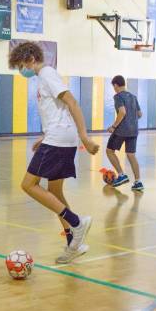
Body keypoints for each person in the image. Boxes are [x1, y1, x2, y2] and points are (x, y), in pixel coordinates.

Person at [9, 42, 100, 264]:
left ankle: (76, 223)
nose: (22, 70)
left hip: (59, 138)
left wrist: (85, 137)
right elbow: (58, 112)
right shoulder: (43, 78)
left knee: (28, 185)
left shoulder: (47, 73)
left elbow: (72, 102)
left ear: (30, 59)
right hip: (57, 136)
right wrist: (45, 137)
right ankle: (74, 243)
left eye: (21, 65)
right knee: (55, 192)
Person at [106, 75, 144, 191]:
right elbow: (140, 114)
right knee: (131, 155)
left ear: (116, 85)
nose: (114, 88)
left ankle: (121, 175)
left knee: (109, 151)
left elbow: (122, 112)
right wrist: (131, 119)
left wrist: (113, 126)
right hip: (134, 130)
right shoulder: (133, 97)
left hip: (122, 130)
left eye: (114, 86)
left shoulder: (118, 96)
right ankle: (138, 182)